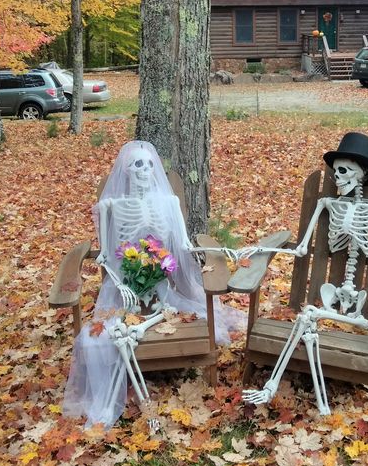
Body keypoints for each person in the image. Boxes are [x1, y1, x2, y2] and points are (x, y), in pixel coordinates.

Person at [63, 140, 243, 426]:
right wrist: (120, 283)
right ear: (127, 170)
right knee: (103, 334)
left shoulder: (170, 203)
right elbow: (106, 257)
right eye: (137, 165)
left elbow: (185, 245)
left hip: (164, 288)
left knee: (176, 312)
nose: (145, 171)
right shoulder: (111, 206)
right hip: (126, 289)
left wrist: (216, 255)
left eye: (149, 165)